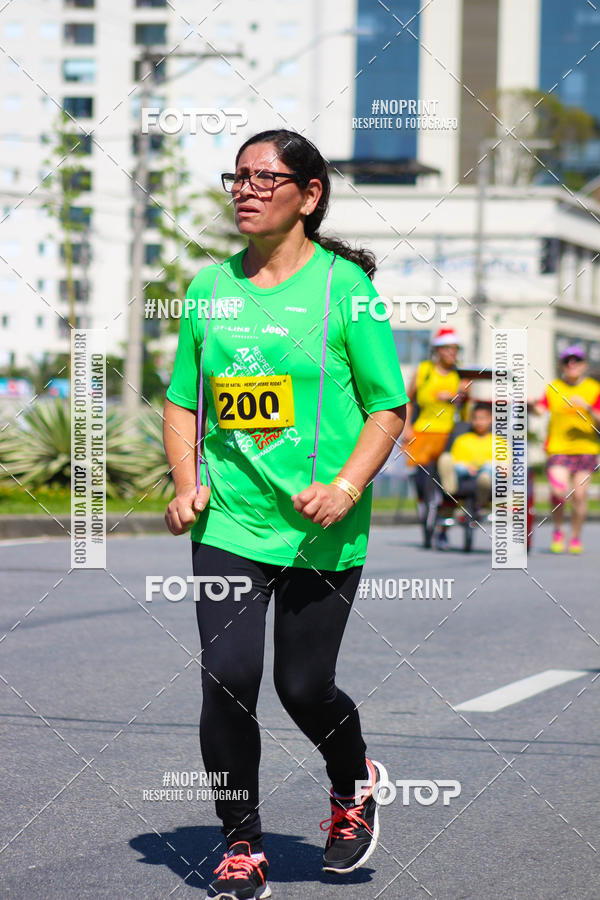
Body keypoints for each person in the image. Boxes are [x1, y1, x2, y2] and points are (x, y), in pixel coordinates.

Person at [162, 129, 408, 899]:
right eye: (237, 177)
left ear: (310, 194)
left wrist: (344, 487)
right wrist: (185, 481)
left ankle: (352, 781)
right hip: (231, 522)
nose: (245, 189)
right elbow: (181, 400)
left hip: (320, 527)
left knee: (304, 688)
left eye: (265, 178)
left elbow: (388, 407)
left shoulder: (346, 291)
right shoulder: (208, 289)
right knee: (227, 681)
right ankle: (241, 847)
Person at [402, 328, 470, 548]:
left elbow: (468, 409)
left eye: (455, 348)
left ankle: (443, 527)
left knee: (447, 482)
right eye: (447, 348)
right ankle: (427, 518)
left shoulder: (459, 375)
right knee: (421, 481)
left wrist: (461, 394)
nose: (452, 352)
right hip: (423, 433)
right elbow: (408, 399)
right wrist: (407, 427)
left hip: (449, 434)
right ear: (437, 350)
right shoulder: (425, 370)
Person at [535, 345, 600, 554]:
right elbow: (539, 409)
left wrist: (588, 408)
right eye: (567, 361)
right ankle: (558, 529)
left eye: (576, 361)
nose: (571, 365)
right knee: (558, 491)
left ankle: (575, 536)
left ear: (584, 365)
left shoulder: (593, 389)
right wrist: (528, 404)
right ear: (562, 365)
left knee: (580, 495)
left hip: (586, 449)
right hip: (558, 449)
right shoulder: (553, 387)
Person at [437, 402, 504, 510]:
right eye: (476, 418)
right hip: (464, 473)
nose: (479, 422)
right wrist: (468, 467)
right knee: (447, 459)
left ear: (490, 419)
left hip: (489, 474)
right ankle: (450, 492)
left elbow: (505, 467)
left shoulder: (499, 442)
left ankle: (483, 494)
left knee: (490, 468)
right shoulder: (462, 439)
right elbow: (455, 461)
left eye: (482, 418)